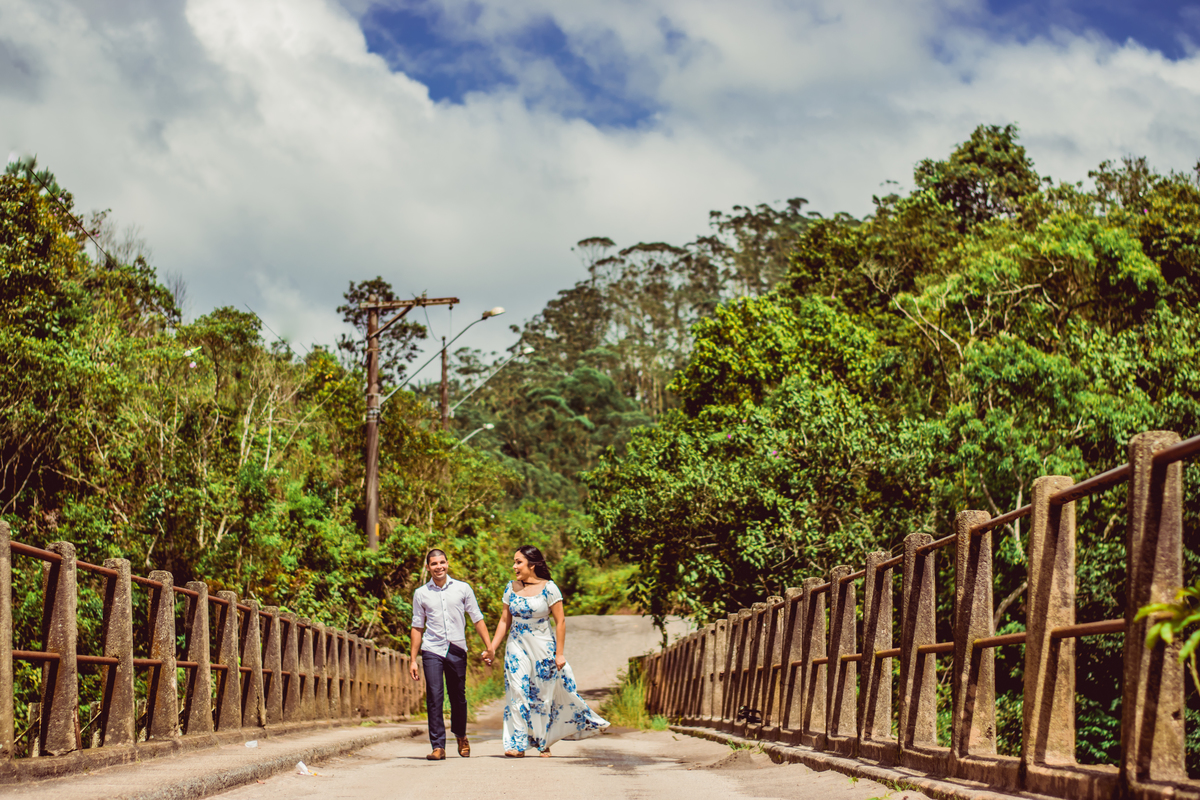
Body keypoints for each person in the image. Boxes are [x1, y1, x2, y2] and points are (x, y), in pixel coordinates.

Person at [489, 545, 609, 757]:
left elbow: (560, 621)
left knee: (542, 695)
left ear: (532, 565)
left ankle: (543, 741)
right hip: (516, 644)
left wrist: (559, 654)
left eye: (518, 562)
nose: (514, 566)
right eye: (514, 562)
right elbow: (504, 620)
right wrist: (492, 648)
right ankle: (517, 744)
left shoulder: (549, 588)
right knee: (517, 691)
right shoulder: (511, 587)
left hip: (543, 646)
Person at [409, 549, 494, 761]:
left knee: (458, 697)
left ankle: (461, 735)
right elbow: (417, 626)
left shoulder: (462, 588)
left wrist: (489, 646)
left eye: (442, 562)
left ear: (447, 564)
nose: (439, 567)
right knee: (435, 697)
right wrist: (412, 659)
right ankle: (438, 746)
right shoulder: (421, 593)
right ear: (428, 567)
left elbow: (476, 617)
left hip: (456, 648)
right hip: (432, 650)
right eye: (434, 564)